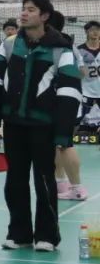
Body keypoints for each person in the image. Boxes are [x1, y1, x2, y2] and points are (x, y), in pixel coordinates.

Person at [0, 0, 81, 251]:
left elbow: (70, 91)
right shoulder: (8, 45)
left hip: (44, 126)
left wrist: (63, 133)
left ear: (45, 16)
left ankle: (47, 236)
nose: (24, 13)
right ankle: (19, 234)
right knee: (15, 181)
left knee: (44, 181)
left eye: (30, 10)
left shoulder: (61, 49)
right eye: (23, 9)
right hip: (14, 124)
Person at [47, 12, 87, 201]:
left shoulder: (57, 46)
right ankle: (60, 183)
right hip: (67, 100)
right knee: (57, 144)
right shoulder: (69, 44)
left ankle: (77, 189)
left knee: (65, 144)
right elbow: (83, 72)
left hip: (65, 102)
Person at [79, 20, 100, 139]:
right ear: (86, 32)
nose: (95, 32)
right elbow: (78, 73)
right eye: (92, 30)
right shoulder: (79, 50)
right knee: (78, 119)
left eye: (97, 30)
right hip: (86, 91)